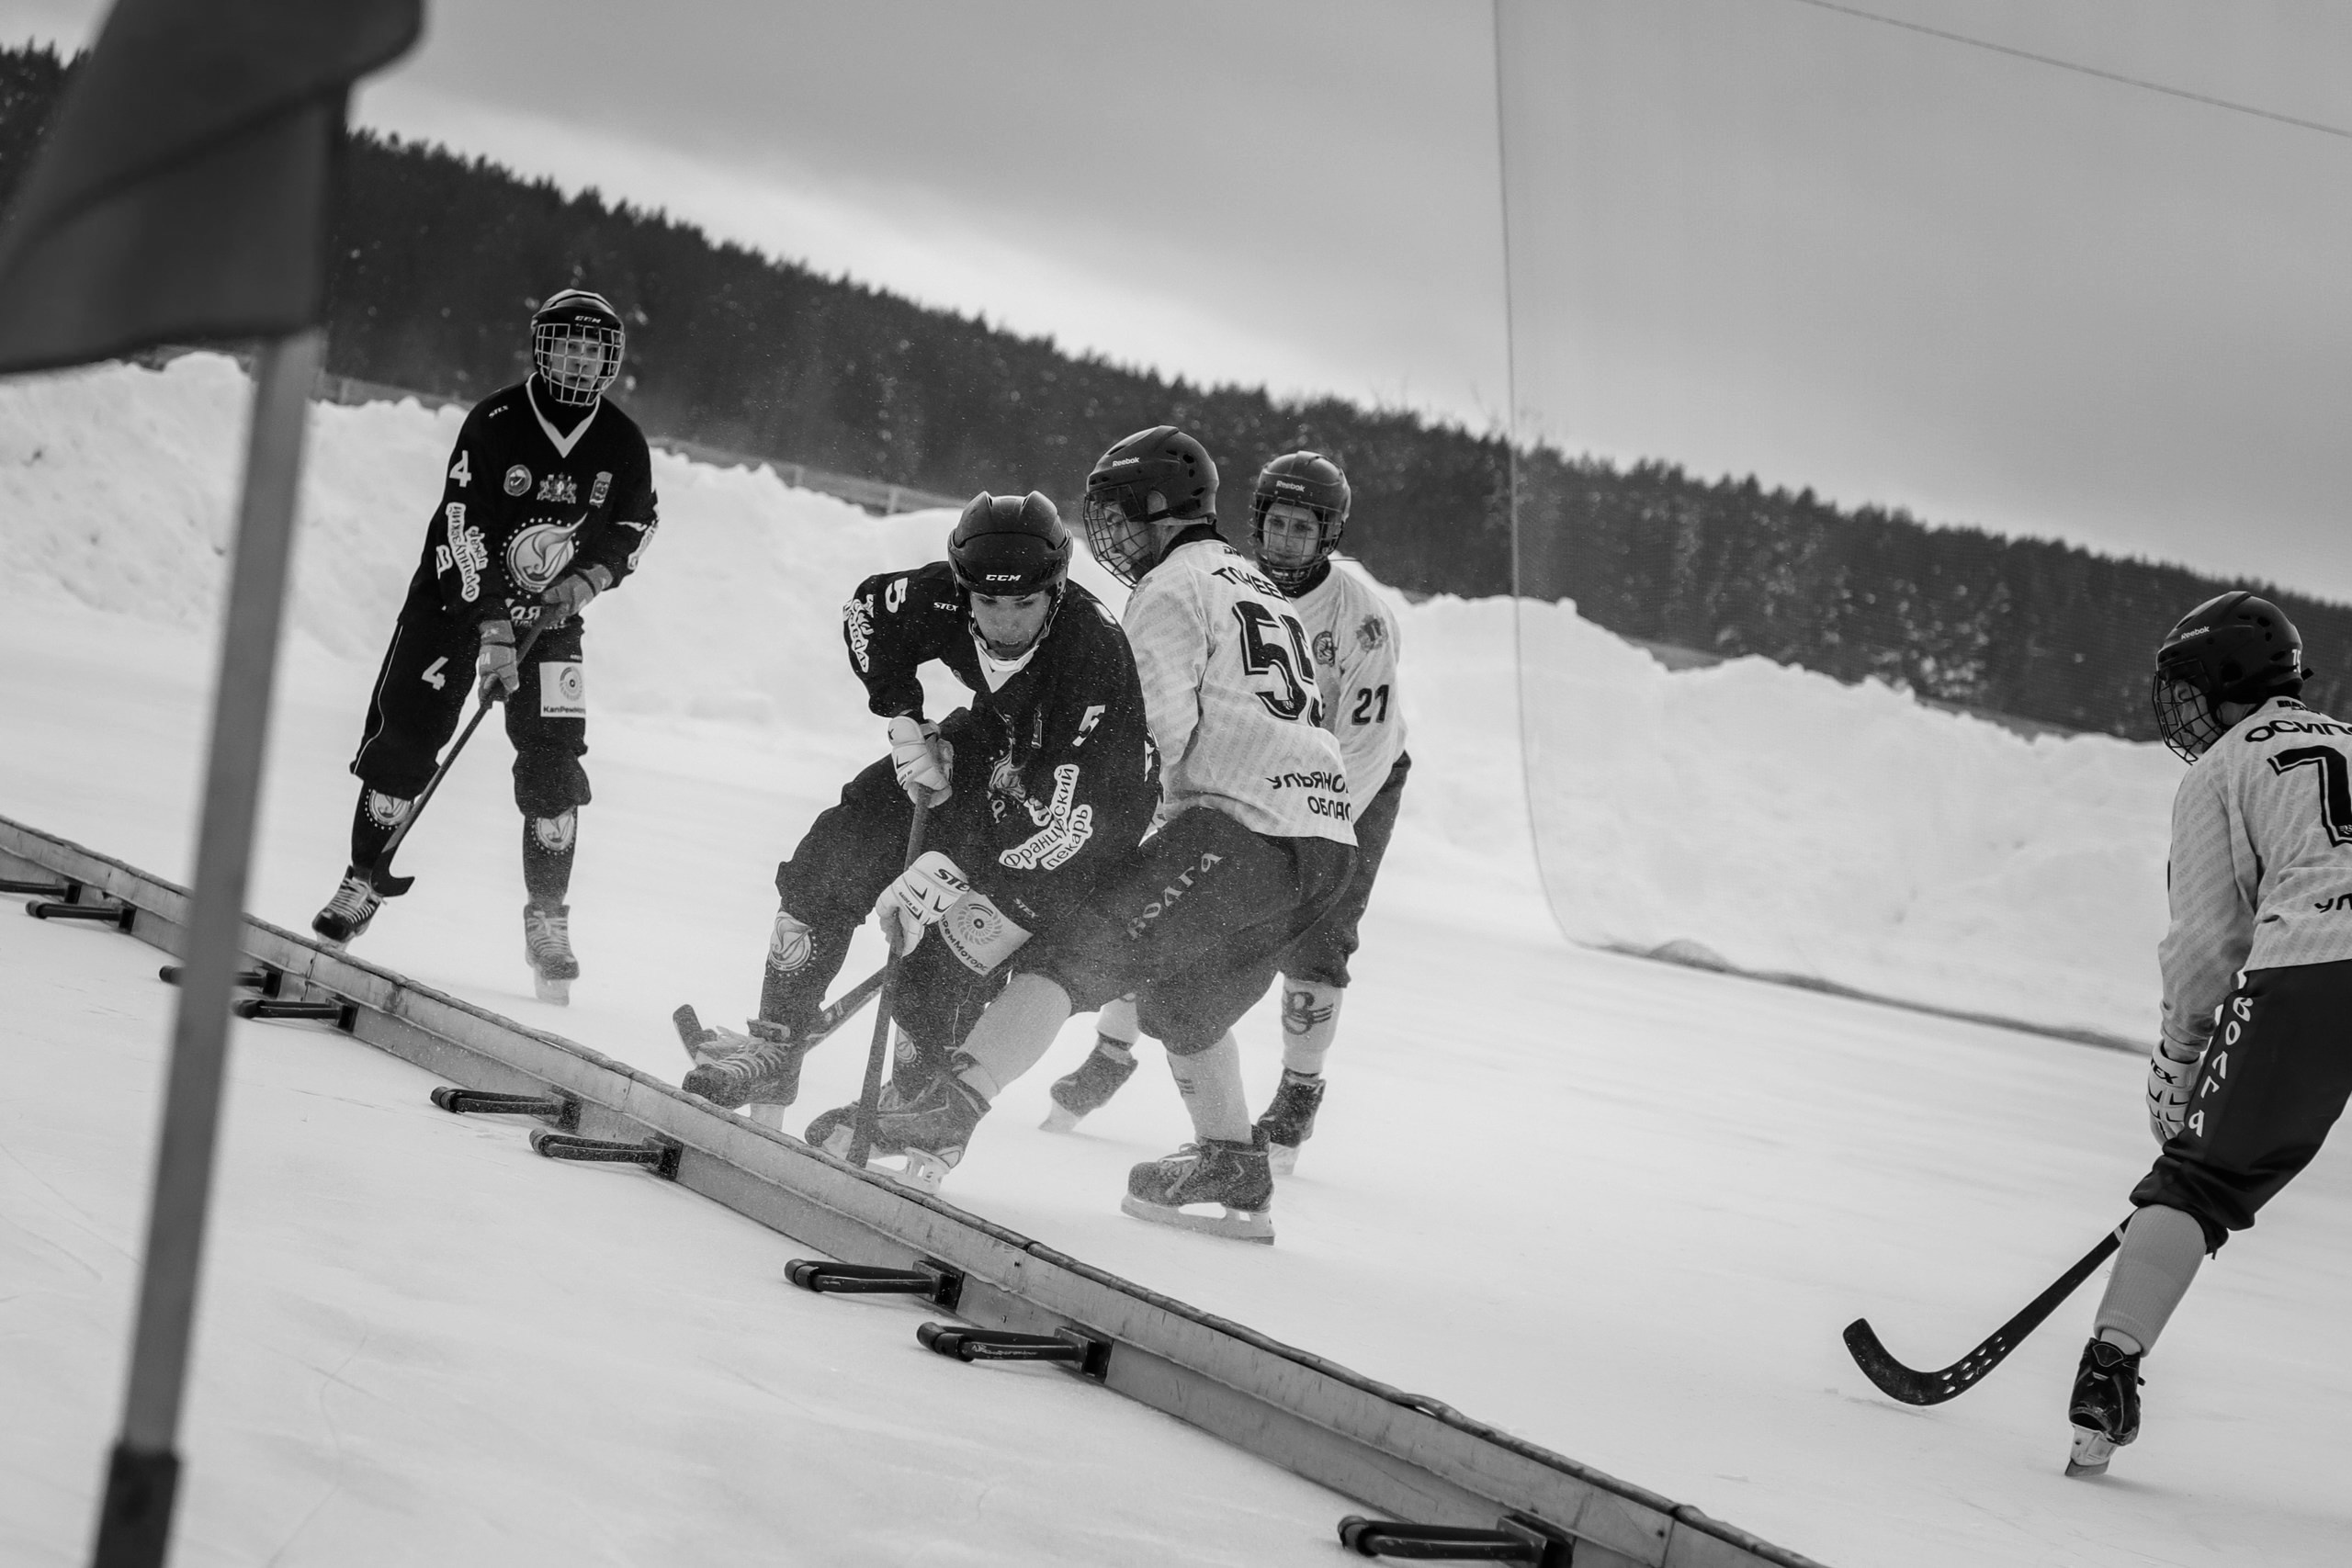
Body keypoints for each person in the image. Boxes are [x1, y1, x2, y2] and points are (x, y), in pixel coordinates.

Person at [864, 425, 1358, 1243]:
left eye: (1126, 517)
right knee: (1181, 998)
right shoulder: (1249, 577)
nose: (1114, 535)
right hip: (1322, 846)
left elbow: (1149, 738)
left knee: (1073, 953)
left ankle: (945, 1107)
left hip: (1243, 830)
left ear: (1170, 514)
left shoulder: (1170, 586)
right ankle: (1233, 1159)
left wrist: (1086, 850)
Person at [679, 491, 1154, 1143]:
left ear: (1057, 588)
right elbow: (865, 612)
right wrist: (904, 717)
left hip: (1091, 816)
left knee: (935, 970)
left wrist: (954, 873)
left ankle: (914, 1100)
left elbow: (1069, 822)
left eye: (1025, 604)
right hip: (995, 744)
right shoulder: (939, 595)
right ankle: (775, 1044)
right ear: (963, 588)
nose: (1005, 622)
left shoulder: (1091, 653)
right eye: (987, 602)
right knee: (835, 855)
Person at [1046, 450, 1409, 1175]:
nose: (1286, 543)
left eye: (1303, 529)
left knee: (1317, 935)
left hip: (1344, 786)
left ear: (1329, 535)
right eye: (1275, 524)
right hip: (1248, 775)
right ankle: (1113, 1051)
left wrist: (1303, 827)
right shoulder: (1227, 579)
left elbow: (1365, 746)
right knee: (1160, 900)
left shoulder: (1363, 620)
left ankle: (1300, 1088)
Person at [2065, 591, 2352, 1476]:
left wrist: (2180, 1059)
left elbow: (2205, 945)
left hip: (2314, 963)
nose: (2182, 710)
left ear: (2226, 682)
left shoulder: (2221, 769)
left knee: (2200, 1184)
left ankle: (2107, 1375)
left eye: (2190, 688)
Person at [309, 288, 658, 1004]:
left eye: (595, 349)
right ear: (542, 348)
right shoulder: (496, 422)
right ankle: (362, 879)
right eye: (569, 344)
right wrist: (494, 632)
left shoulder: (622, 442)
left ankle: (548, 918)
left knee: (555, 761)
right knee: (407, 742)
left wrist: (591, 578)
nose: (581, 359)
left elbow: (638, 526)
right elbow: (462, 529)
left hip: (553, 619)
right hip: (454, 606)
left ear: (611, 361)